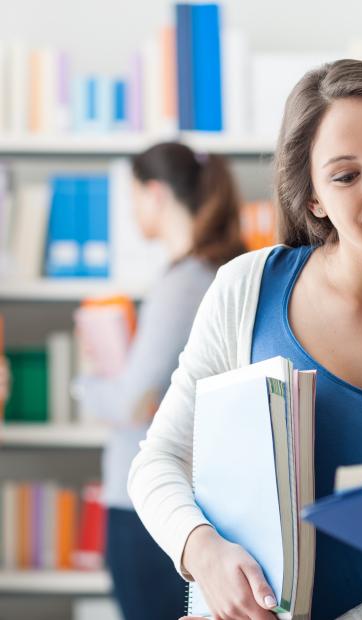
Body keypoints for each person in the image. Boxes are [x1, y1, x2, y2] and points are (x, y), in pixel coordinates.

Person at [128, 59, 362, 620]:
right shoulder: (248, 288)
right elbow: (159, 460)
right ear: (313, 196)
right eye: (346, 175)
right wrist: (203, 552)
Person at [74, 142, 244, 620]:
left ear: (154, 194)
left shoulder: (184, 283)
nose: (131, 211)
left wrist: (85, 382)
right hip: (185, 503)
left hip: (149, 506)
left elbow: (133, 401)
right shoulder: (212, 274)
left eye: (132, 196)